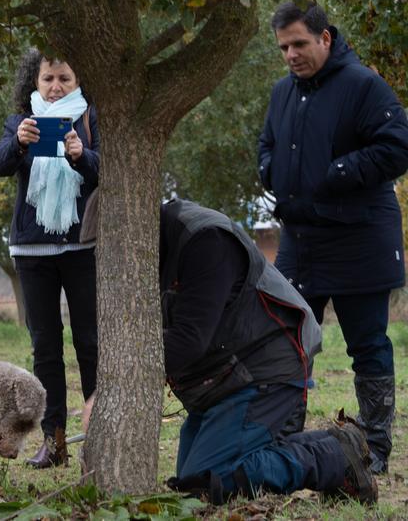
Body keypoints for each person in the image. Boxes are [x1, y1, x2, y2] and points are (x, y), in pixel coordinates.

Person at [259, 2, 408, 473]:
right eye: (284, 47)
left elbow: (397, 146)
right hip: (301, 242)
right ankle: (286, 439)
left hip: (360, 240)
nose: (291, 55)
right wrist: (269, 171)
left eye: (300, 43)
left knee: (367, 343)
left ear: (326, 38)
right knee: (283, 339)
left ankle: (375, 447)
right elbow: (267, 144)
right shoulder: (283, 92)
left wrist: (337, 172)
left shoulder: (363, 85)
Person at [160, 198, 377, 504]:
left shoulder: (206, 241)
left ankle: (335, 455)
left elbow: (188, 340)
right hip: (223, 379)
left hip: (266, 368)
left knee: (210, 480)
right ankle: (332, 444)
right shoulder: (149, 251)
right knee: (191, 484)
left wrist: (117, 383)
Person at [0, 49, 99, 468]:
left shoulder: (89, 119)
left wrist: (80, 154)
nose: (55, 87)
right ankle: (54, 443)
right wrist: (18, 143)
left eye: (64, 79)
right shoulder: (21, 121)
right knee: (45, 348)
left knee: (90, 343)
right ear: (35, 82)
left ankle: (96, 435)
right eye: (48, 78)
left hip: (82, 245)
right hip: (32, 248)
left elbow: (106, 169)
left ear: (78, 81)